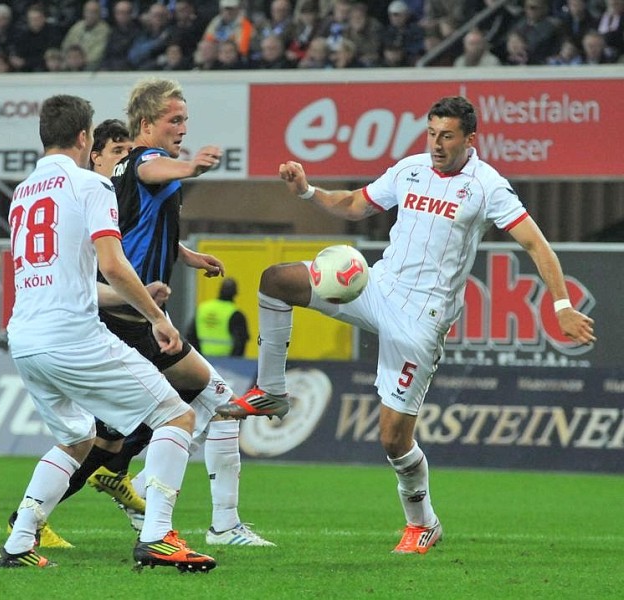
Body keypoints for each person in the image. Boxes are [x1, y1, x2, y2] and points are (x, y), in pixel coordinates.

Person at [217, 96, 596, 554]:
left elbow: (537, 246)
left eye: (447, 136)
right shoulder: (410, 168)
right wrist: (307, 192)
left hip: (422, 319)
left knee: (394, 439)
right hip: (375, 287)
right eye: (432, 133)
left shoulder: (487, 186)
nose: (437, 144)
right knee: (276, 280)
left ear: (470, 139)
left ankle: (423, 523)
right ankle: (273, 390)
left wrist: (561, 307)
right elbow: (357, 204)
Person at [0, 94, 215, 571]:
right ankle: (157, 536)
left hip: (25, 339)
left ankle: (18, 543)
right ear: (83, 138)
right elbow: (113, 266)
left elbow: (73, 283)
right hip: (72, 337)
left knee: (77, 441)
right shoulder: (91, 185)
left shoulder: (23, 193)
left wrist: (137, 295)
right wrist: (158, 318)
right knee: (176, 418)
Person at [79, 78, 275, 547]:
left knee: (185, 409)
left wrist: (187, 255)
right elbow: (155, 170)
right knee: (204, 405)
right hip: (134, 319)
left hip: (128, 318)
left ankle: (46, 512)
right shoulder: (146, 160)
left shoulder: (122, 169)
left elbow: (139, 224)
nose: (183, 127)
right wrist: (193, 166)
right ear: (146, 124)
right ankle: (207, 522)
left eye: (185, 119)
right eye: (174, 120)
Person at [187, 277, 250, 357]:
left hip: (202, 360)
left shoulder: (203, 309)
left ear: (219, 290)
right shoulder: (236, 314)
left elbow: (191, 335)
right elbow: (240, 344)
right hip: (225, 364)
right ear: (235, 293)